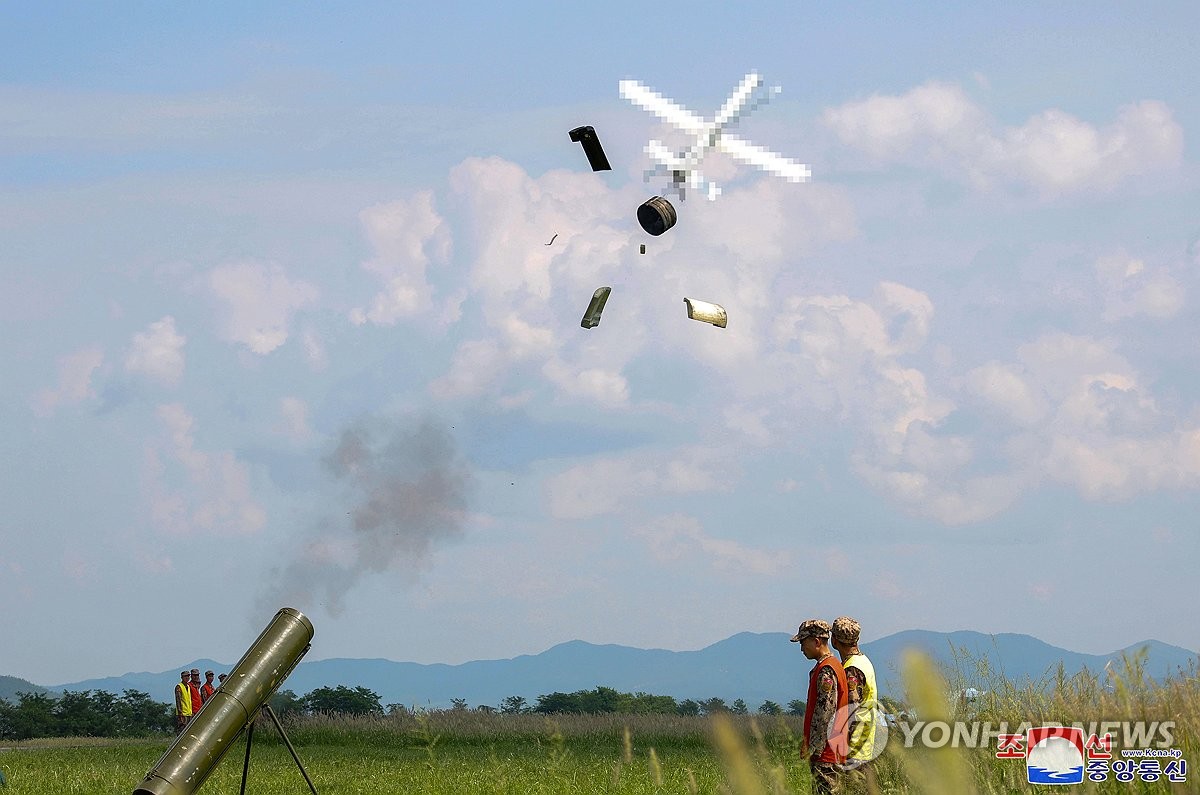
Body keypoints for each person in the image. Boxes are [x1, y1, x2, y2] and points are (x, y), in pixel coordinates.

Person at [792, 619, 849, 794]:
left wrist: (814, 748)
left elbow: (825, 712)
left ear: (816, 641)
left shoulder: (827, 670)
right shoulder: (831, 666)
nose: (801, 648)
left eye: (803, 642)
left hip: (826, 752)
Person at [832, 616, 880, 786]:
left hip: (855, 744)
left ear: (834, 640)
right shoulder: (864, 661)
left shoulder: (852, 669)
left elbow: (851, 709)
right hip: (866, 739)